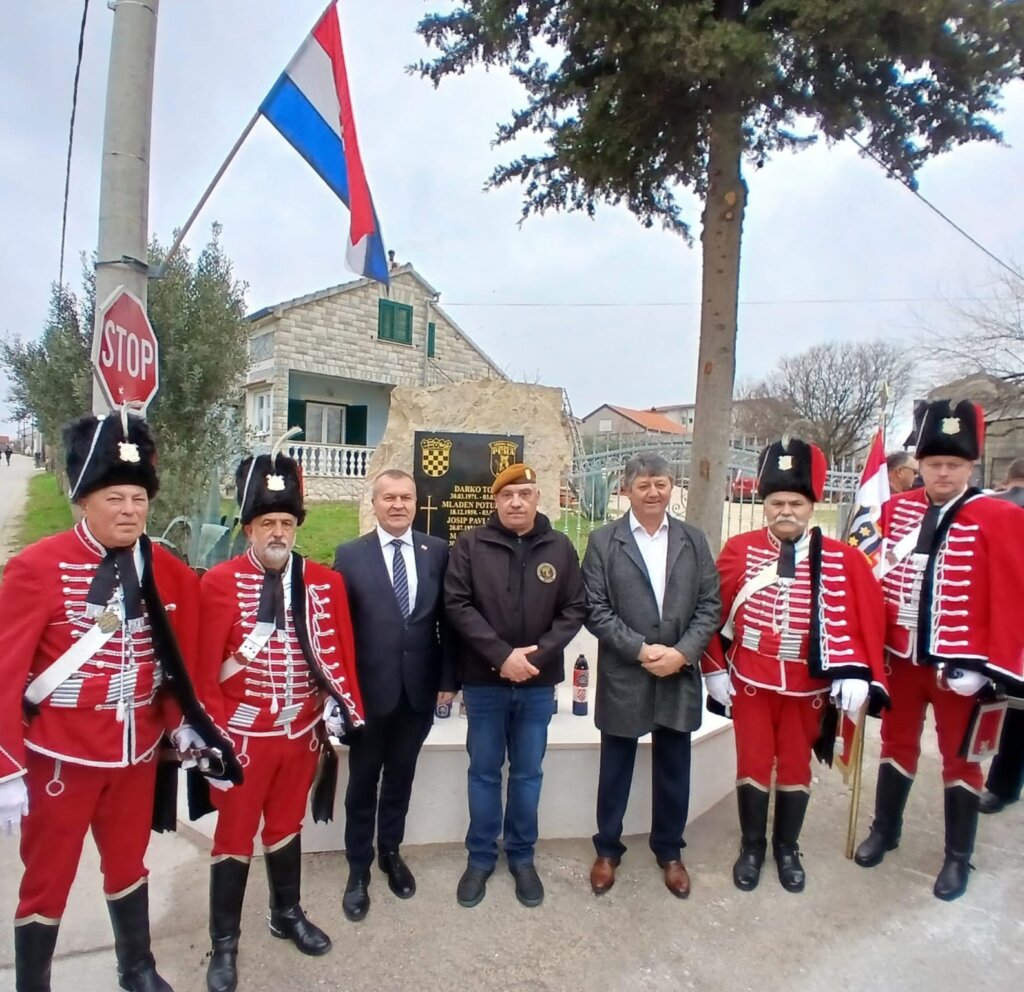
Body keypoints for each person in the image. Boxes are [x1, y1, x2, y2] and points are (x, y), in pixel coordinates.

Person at [0, 411, 239, 992]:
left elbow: (185, 661)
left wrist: (187, 725)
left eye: (138, 497)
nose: (130, 509)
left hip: (136, 757)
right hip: (61, 754)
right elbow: (6, 672)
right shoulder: (39, 566)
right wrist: (7, 769)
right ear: (85, 500)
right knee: (47, 880)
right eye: (114, 496)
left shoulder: (169, 571)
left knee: (129, 864)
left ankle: (137, 967)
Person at [193, 443, 364, 992]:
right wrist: (214, 739)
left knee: (286, 828)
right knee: (234, 837)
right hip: (243, 738)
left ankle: (285, 913)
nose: (277, 532)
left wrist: (341, 710)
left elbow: (341, 652)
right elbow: (202, 671)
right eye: (267, 521)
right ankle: (224, 944)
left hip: (302, 735)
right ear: (248, 528)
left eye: (286, 522)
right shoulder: (218, 584)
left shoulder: (324, 583)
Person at [855, 400, 1024, 901]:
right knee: (896, 745)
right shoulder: (897, 509)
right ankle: (886, 830)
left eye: (953, 465)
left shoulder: (997, 515)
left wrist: (985, 664)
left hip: (959, 667)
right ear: (920, 465)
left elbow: (1012, 596)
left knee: (960, 758)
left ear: (971, 466)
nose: (943, 472)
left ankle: (957, 857)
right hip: (901, 660)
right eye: (934, 464)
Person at [703, 439, 888, 893]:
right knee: (751, 761)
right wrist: (714, 668)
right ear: (764, 504)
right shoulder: (740, 549)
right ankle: (752, 846)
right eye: (776, 502)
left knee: (794, 766)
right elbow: (710, 613)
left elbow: (865, 622)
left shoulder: (844, 559)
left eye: (795, 503)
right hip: (750, 680)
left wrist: (857, 671)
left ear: (811, 506)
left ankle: (786, 847)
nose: (785, 511)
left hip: (808, 685)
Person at [445, 463, 586, 909]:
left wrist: (535, 657)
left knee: (527, 774)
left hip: (537, 685)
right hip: (484, 683)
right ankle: (481, 858)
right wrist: (501, 656)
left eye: (525, 493)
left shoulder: (559, 547)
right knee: (484, 773)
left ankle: (522, 857)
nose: (517, 502)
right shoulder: (470, 544)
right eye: (508, 495)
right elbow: (457, 604)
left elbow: (575, 608)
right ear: (496, 500)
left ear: (538, 497)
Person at [582, 453, 720, 899]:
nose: (653, 492)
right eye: (643, 485)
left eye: (661, 483)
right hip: (626, 672)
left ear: (672, 487)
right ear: (626, 490)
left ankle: (670, 851)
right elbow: (596, 609)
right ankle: (607, 850)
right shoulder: (604, 542)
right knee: (616, 768)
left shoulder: (692, 540)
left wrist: (682, 653)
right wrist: (641, 650)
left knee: (674, 767)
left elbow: (709, 605)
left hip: (678, 672)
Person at [333, 469, 455, 922]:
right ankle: (358, 869)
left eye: (406, 497)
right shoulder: (350, 555)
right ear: (376, 502)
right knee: (363, 784)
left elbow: (447, 623)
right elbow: (338, 631)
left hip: (417, 693)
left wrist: (447, 680)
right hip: (368, 693)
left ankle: (390, 854)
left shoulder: (437, 551)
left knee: (401, 779)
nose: (398, 505)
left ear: (416, 502)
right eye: (389, 498)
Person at [978, 456, 1024, 814]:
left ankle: (1000, 785)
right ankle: (1004, 786)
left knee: (1008, 708)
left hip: (998, 624)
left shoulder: (990, 507)